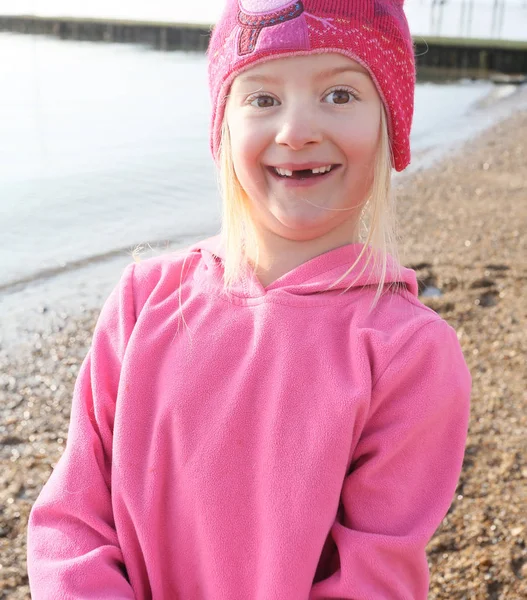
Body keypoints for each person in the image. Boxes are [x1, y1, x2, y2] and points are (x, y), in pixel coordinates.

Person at [27, 1, 471, 598]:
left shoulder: (409, 353)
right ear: (223, 127)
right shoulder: (143, 301)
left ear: (390, 124)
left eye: (340, 95)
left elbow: (373, 577)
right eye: (262, 99)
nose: (297, 131)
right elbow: (70, 523)